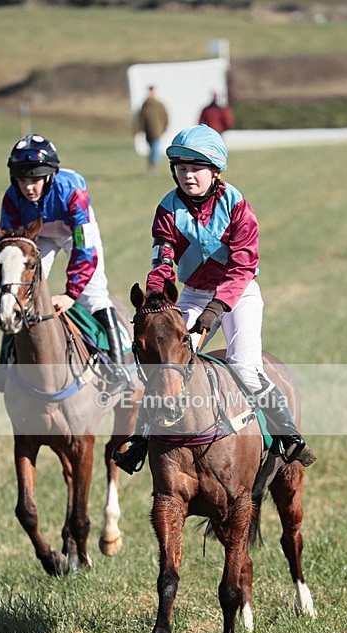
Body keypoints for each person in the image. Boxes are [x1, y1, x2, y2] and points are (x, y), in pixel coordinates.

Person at [114, 124, 315, 474]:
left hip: (239, 295)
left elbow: (241, 268)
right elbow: (162, 261)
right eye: (181, 168)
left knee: (244, 366)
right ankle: (142, 441)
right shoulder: (166, 209)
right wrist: (157, 298)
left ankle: (287, 434)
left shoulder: (237, 207)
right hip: (192, 293)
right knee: (165, 362)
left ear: (215, 170)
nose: (187, 176)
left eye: (196, 168)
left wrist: (214, 310)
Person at [0, 133, 130, 393]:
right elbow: (12, 245)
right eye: (22, 181)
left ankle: (118, 368)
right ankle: (5, 364)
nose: (28, 187)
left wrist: (72, 295)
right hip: (38, 236)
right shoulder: (11, 197)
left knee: (94, 295)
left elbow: (84, 248)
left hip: (75, 231)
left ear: (50, 176)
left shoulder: (72, 189)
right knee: (17, 296)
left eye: (35, 180)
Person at [134, 86, 169, 172]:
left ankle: (153, 166)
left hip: (157, 131)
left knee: (154, 148)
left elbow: (165, 117)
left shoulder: (158, 104)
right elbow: (141, 119)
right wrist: (138, 131)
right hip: (148, 132)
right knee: (152, 149)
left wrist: (163, 129)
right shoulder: (145, 104)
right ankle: (152, 165)